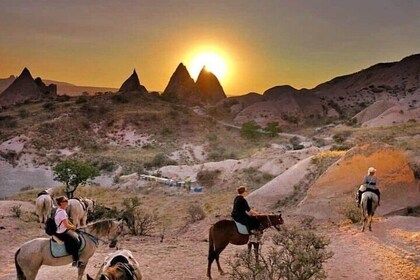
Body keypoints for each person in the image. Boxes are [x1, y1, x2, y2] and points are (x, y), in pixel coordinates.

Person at [54, 196, 82, 267]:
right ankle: (75, 261)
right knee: (76, 240)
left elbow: (67, 220)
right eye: (65, 201)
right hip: (63, 232)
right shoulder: (62, 212)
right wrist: (74, 227)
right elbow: (66, 225)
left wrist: (72, 225)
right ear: (61, 203)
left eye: (67, 201)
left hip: (59, 230)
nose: (67, 202)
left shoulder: (59, 210)